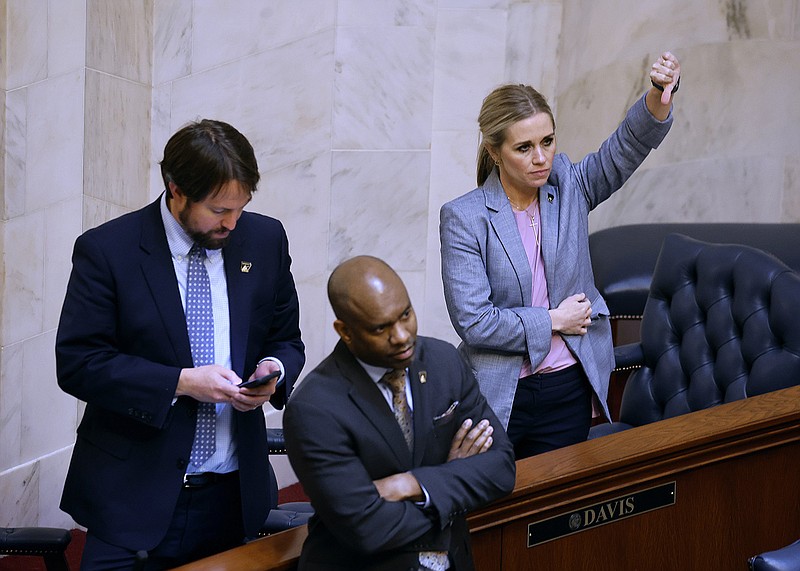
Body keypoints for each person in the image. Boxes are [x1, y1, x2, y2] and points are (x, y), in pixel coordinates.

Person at [55, 119, 305, 569]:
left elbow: (286, 338)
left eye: (240, 208)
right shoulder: (109, 250)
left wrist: (273, 369)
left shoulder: (265, 240)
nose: (231, 222)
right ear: (175, 190)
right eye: (217, 210)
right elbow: (78, 362)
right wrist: (181, 382)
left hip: (233, 495)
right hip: (132, 495)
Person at [439, 52, 681, 459]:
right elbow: (475, 323)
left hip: (568, 385)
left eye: (547, 141)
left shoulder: (567, 184)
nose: (541, 158)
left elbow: (624, 149)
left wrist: (658, 95)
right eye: (524, 147)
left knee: (557, 511)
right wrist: (555, 320)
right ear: (495, 152)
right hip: (500, 394)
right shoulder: (464, 217)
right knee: (498, 512)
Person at [283, 255, 515, 571]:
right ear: (345, 331)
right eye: (381, 328)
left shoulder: (443, 361)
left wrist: (413, 484)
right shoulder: (314, 407)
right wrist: (452, 484)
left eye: (405, 314)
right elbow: (367, 529)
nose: (402, 336)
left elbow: (501, 470)